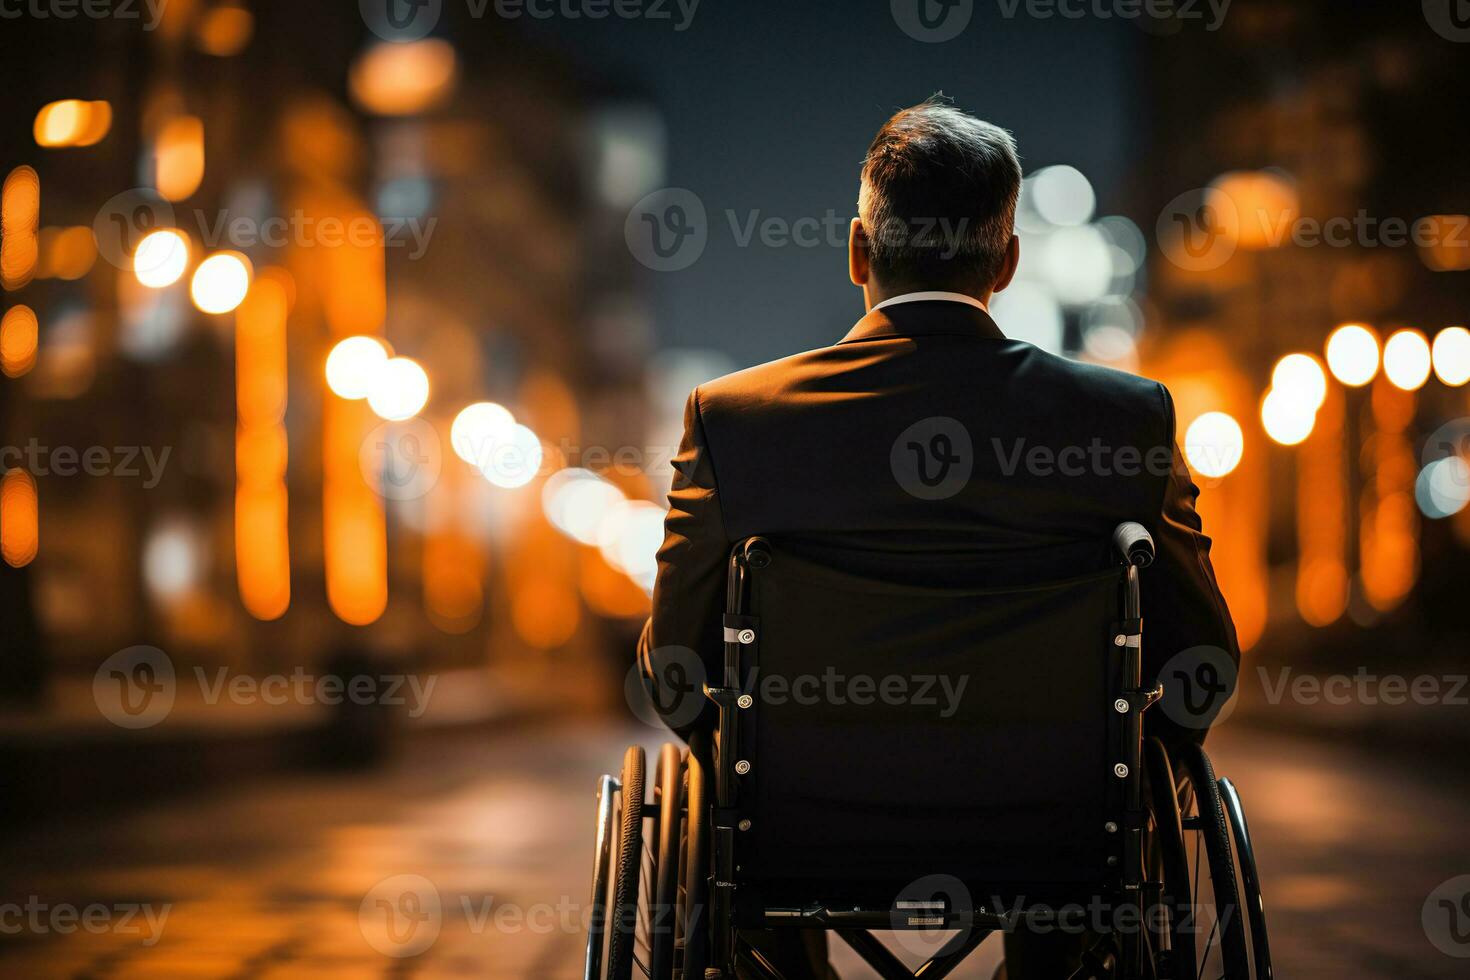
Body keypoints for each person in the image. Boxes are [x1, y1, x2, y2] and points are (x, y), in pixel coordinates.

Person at [637, 95, 1239, 980]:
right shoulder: (1124, 421)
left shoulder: (735, 422)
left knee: (736, 827)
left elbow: (676, 676)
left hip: (803, 836)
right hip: (1057, 838)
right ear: (1007, 261)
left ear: (857, 251)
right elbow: (1201, 672)